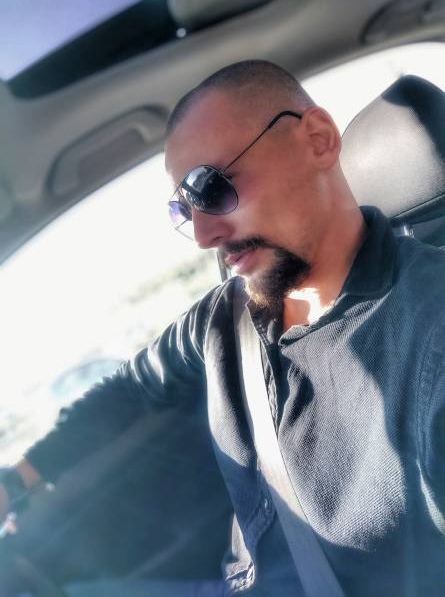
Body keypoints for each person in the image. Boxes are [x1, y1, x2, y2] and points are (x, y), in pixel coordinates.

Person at [1, 60, 445, 596]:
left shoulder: (430, 334)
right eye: (184, 208)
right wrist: (17, 479)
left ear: (319, 140)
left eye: (210, 187)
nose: (203, 234)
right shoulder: (224, 318)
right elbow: (131, 388)